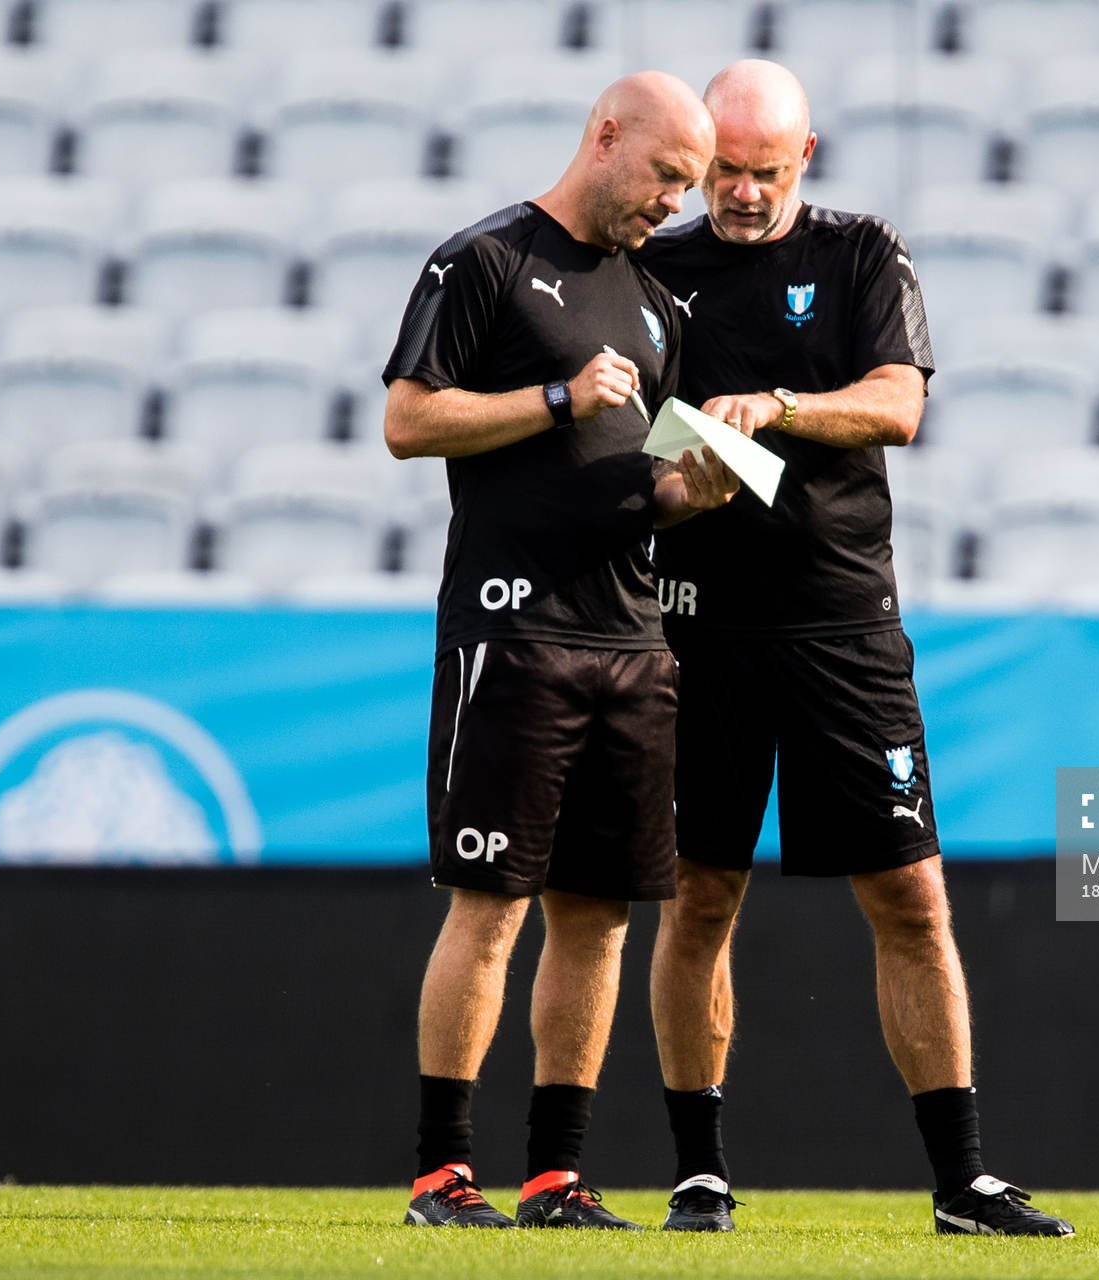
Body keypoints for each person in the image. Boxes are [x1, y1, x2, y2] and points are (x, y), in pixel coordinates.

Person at [634, 59, 1074, 1238]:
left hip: (842, 624)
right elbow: (629, 449)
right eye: (722, 170)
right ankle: (698, 1169)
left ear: (807, 157)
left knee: (911, 897)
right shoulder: (654, 267)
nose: (737, 192)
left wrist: (772, 407)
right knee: (701, 895)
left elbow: (897, 404)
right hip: (696, 628)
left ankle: (962, 1178)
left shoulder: (861, 252)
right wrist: (680, 483)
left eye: (763, 171)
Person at [380, 71, 735, 1231]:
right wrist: (553, 392)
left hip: (631, 641)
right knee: (492, 902)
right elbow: (408, 419)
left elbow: (660, 482)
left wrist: (709, 484)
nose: (674, 205)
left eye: (690, 188)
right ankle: (442, 1172)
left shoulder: (658, 304)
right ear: (605, 135)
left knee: (600, 914)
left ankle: (556, 1175)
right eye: (666, 178)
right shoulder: (480, 261)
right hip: (513, 627)